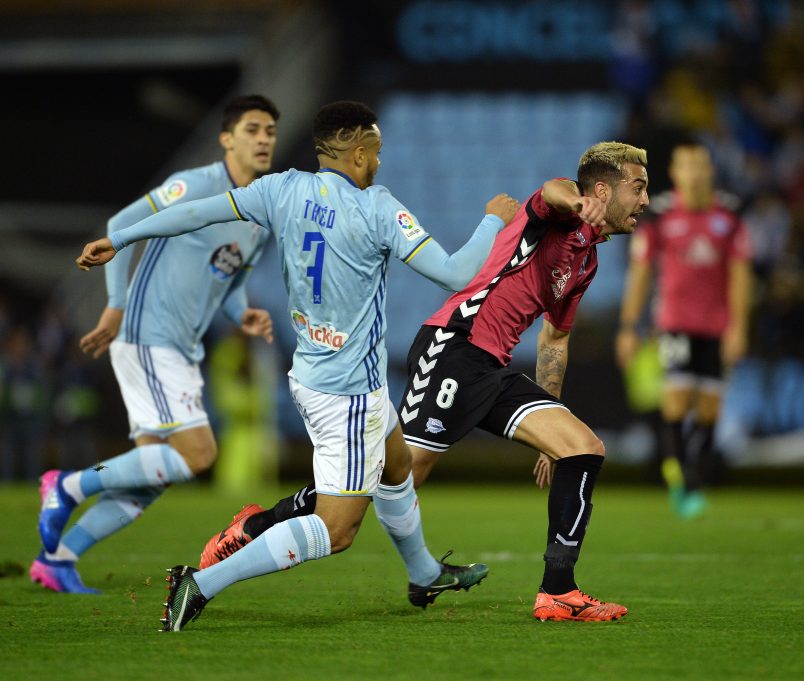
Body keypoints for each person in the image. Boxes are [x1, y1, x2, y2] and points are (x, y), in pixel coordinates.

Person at [76, 100, 520, 631]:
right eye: (376, 150)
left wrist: (122, 237)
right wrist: (493, 220)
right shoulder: (376, 207)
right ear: (359, 153)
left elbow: (200, 212)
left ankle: (424, 572)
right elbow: (454, 274)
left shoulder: (281, 189)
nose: (380, 159)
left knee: (396, 465)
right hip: (347, 392)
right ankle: (202, 582)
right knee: (336, 530)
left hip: (323, 373)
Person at [201, 141, 650, 623]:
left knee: (582, 448)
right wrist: (576, 202)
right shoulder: (558, 216)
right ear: (602, 189)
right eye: (638, 187)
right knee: (393, 478)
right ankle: (254, 527)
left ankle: (558, 591)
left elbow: (555, 340)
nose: (646, 201)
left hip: (492, 369)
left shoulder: (586, 261)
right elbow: (551, 191)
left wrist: (548, 432)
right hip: (453, 348)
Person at [32, 95, 281, 594]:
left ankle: (58, 559)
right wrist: (116, 303)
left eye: (271, 132)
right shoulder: (196, 185)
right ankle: (67, 485)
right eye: (252, 129)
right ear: (226, 138)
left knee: (148, 482)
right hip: (147, 334)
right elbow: (120, 226)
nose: (263, 139)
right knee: (199, 454)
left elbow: (227, 281)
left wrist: (242, 314)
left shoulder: (258, 214)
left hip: (182, 349)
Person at [615, 143, 752, 518]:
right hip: (673, 323)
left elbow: (740, 275)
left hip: (716, 325)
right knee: (676, 398)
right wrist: (629, 326)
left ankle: (683, 466)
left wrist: (739, 327)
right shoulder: (658, 215)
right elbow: (641, 273)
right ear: (675, 173)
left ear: (709, 171)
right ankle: (683, 479)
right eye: (686, 167)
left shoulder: (730, 214)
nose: (694, 174)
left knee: (709, 409)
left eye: (700, 166)